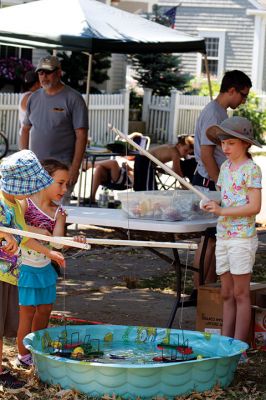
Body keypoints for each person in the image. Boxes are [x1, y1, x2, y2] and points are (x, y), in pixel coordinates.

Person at [0, 150, 65, 388]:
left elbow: (24, 236)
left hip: (10, 273)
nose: (33, 191)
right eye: (30, 185)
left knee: (6, 324)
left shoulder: (16, 205)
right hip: (2, 272)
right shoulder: (1, 201)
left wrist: (50, 252)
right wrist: (5, 233)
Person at [191, 70, 252, 292]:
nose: (243, 100)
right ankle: (199, 291)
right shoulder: (215, 115)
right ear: (232, 90)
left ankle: (206, 291)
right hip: (209, 184)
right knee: (207, 241)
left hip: (212, 183)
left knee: (213, 241)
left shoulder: (218, 112)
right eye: (243, 95)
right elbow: (207, 154)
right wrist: (220, 184)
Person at [203, 116, 262, 343]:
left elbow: (254, 206)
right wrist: (209, 203)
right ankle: (224, 343)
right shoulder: (226, 167)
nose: (225, 148)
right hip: (224, 236)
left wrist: (221, 212)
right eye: (222, 143)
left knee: (240, 293)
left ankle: (239, 348)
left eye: (231, 143)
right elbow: (225, 198)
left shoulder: (252, 169)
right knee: (226, 293)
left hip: (241, 238)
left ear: (245, 143)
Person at [19, 55, 89, 203]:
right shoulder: (33, 98)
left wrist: (75, 169)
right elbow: (25, 130)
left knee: (56, 217)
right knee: (34, 216)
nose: (44, 76)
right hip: (36, 169)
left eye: (48, 72)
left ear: (59, 72)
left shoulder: (73, 98)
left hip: (62, 168)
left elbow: (81, 136)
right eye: (41, 73)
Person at [18, 70, 41, 136]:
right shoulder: (30, 97)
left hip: (26, 134)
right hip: (29, 136)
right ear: (37, 83)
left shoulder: (25, 95)